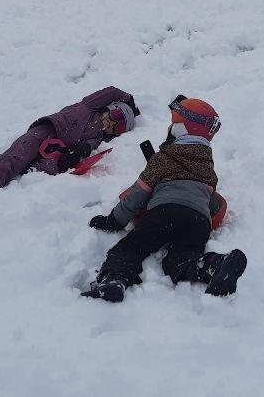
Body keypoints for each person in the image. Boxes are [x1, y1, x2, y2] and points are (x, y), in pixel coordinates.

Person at [81, 96, 247, 303]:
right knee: (181, 261)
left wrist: (114, 221)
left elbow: (137, 194)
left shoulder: (163, 158)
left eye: (173, 124)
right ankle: (216, 265)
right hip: (198, 220)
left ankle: (114, 280)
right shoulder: (208, 165)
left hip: (166, 212)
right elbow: (213, 202)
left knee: (131, 248)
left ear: (181, 130)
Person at [0, 88, 139, 212]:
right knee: (19, 156)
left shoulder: (97, 138)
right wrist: (128, 99)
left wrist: (78, 152)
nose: (112, 123)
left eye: (119, 126)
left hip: (56, 149)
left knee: (46, 170)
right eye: (115, 115)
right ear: (109, 108)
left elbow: (88, 147)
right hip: (48, 130)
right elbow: (112, 91)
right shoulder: (90, 105)